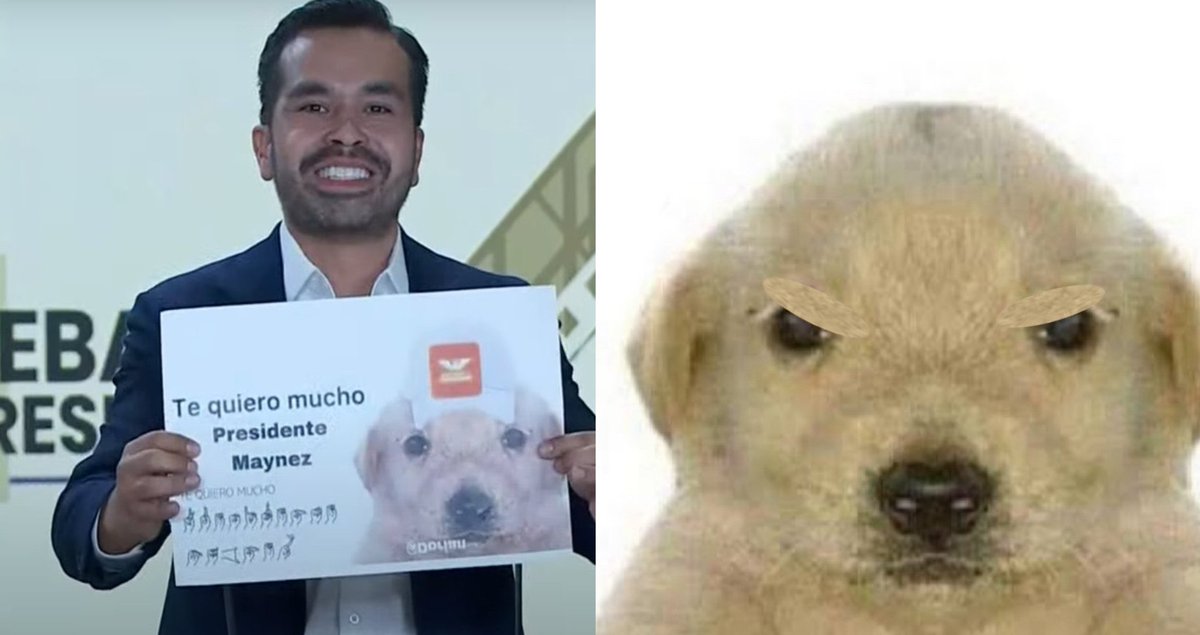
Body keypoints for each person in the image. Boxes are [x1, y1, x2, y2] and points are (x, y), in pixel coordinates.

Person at [49, 1, 596, 633]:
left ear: (416, 151)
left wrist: (603, 490)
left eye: (377, 107)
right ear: (264, 148)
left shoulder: (498, 318)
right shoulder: (182, 315)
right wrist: (122, 513)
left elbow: (593, 521)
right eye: (313, 107)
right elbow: (81, 531)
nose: (346, 132)